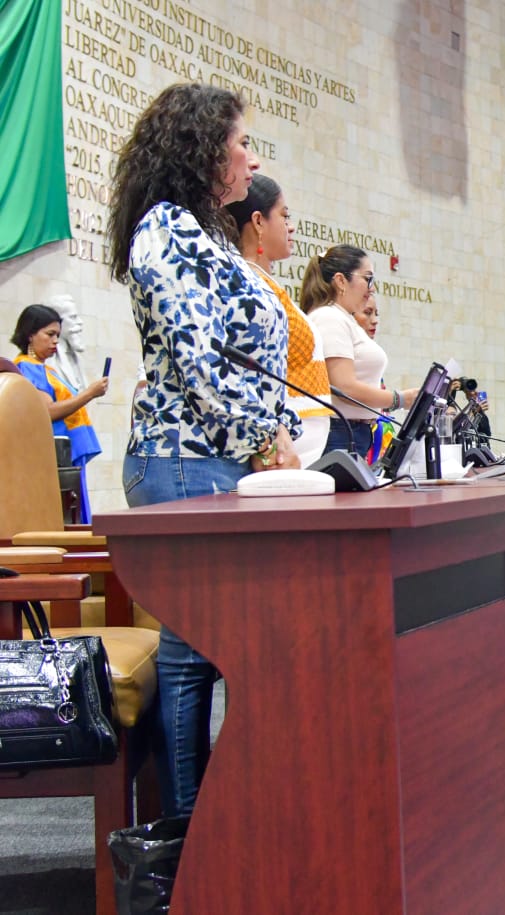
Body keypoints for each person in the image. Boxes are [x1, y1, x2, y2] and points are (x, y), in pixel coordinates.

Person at [107, 83, 303, 817]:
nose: (252, 157)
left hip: (219, 458)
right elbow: (200, 364)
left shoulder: (204, 233)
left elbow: (247, 364)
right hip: (181, 458)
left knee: (212, 651)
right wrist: (266, 436)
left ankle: (213, 822)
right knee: (192, 655)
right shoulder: (164, 228)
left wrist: (272, 429)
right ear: (203, 150)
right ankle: (188, 840)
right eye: (242, 143)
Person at [224, 175, 332, 467]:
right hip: (276, 452)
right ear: (258, 222)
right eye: (285, 216)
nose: (291, 226)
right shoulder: (244, 282)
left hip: (294, 449)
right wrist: (267, 442)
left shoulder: (266, 283)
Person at [300, 245, 416, 456]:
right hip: (340, 433)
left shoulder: (343, 319)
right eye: (368, 279)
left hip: (352, 432)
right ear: (341, 281)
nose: (372, 288)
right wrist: (400, 399)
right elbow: (345, 387)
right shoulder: (329, 317)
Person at [11, 304, 110, 521]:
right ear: (30, 334)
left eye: (57, 335)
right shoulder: (27, 367)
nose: (55, 341)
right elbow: (47, 411)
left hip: (68, 455)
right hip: (56, 456)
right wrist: (90, 393)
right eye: (50, 334)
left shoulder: (47, 368)